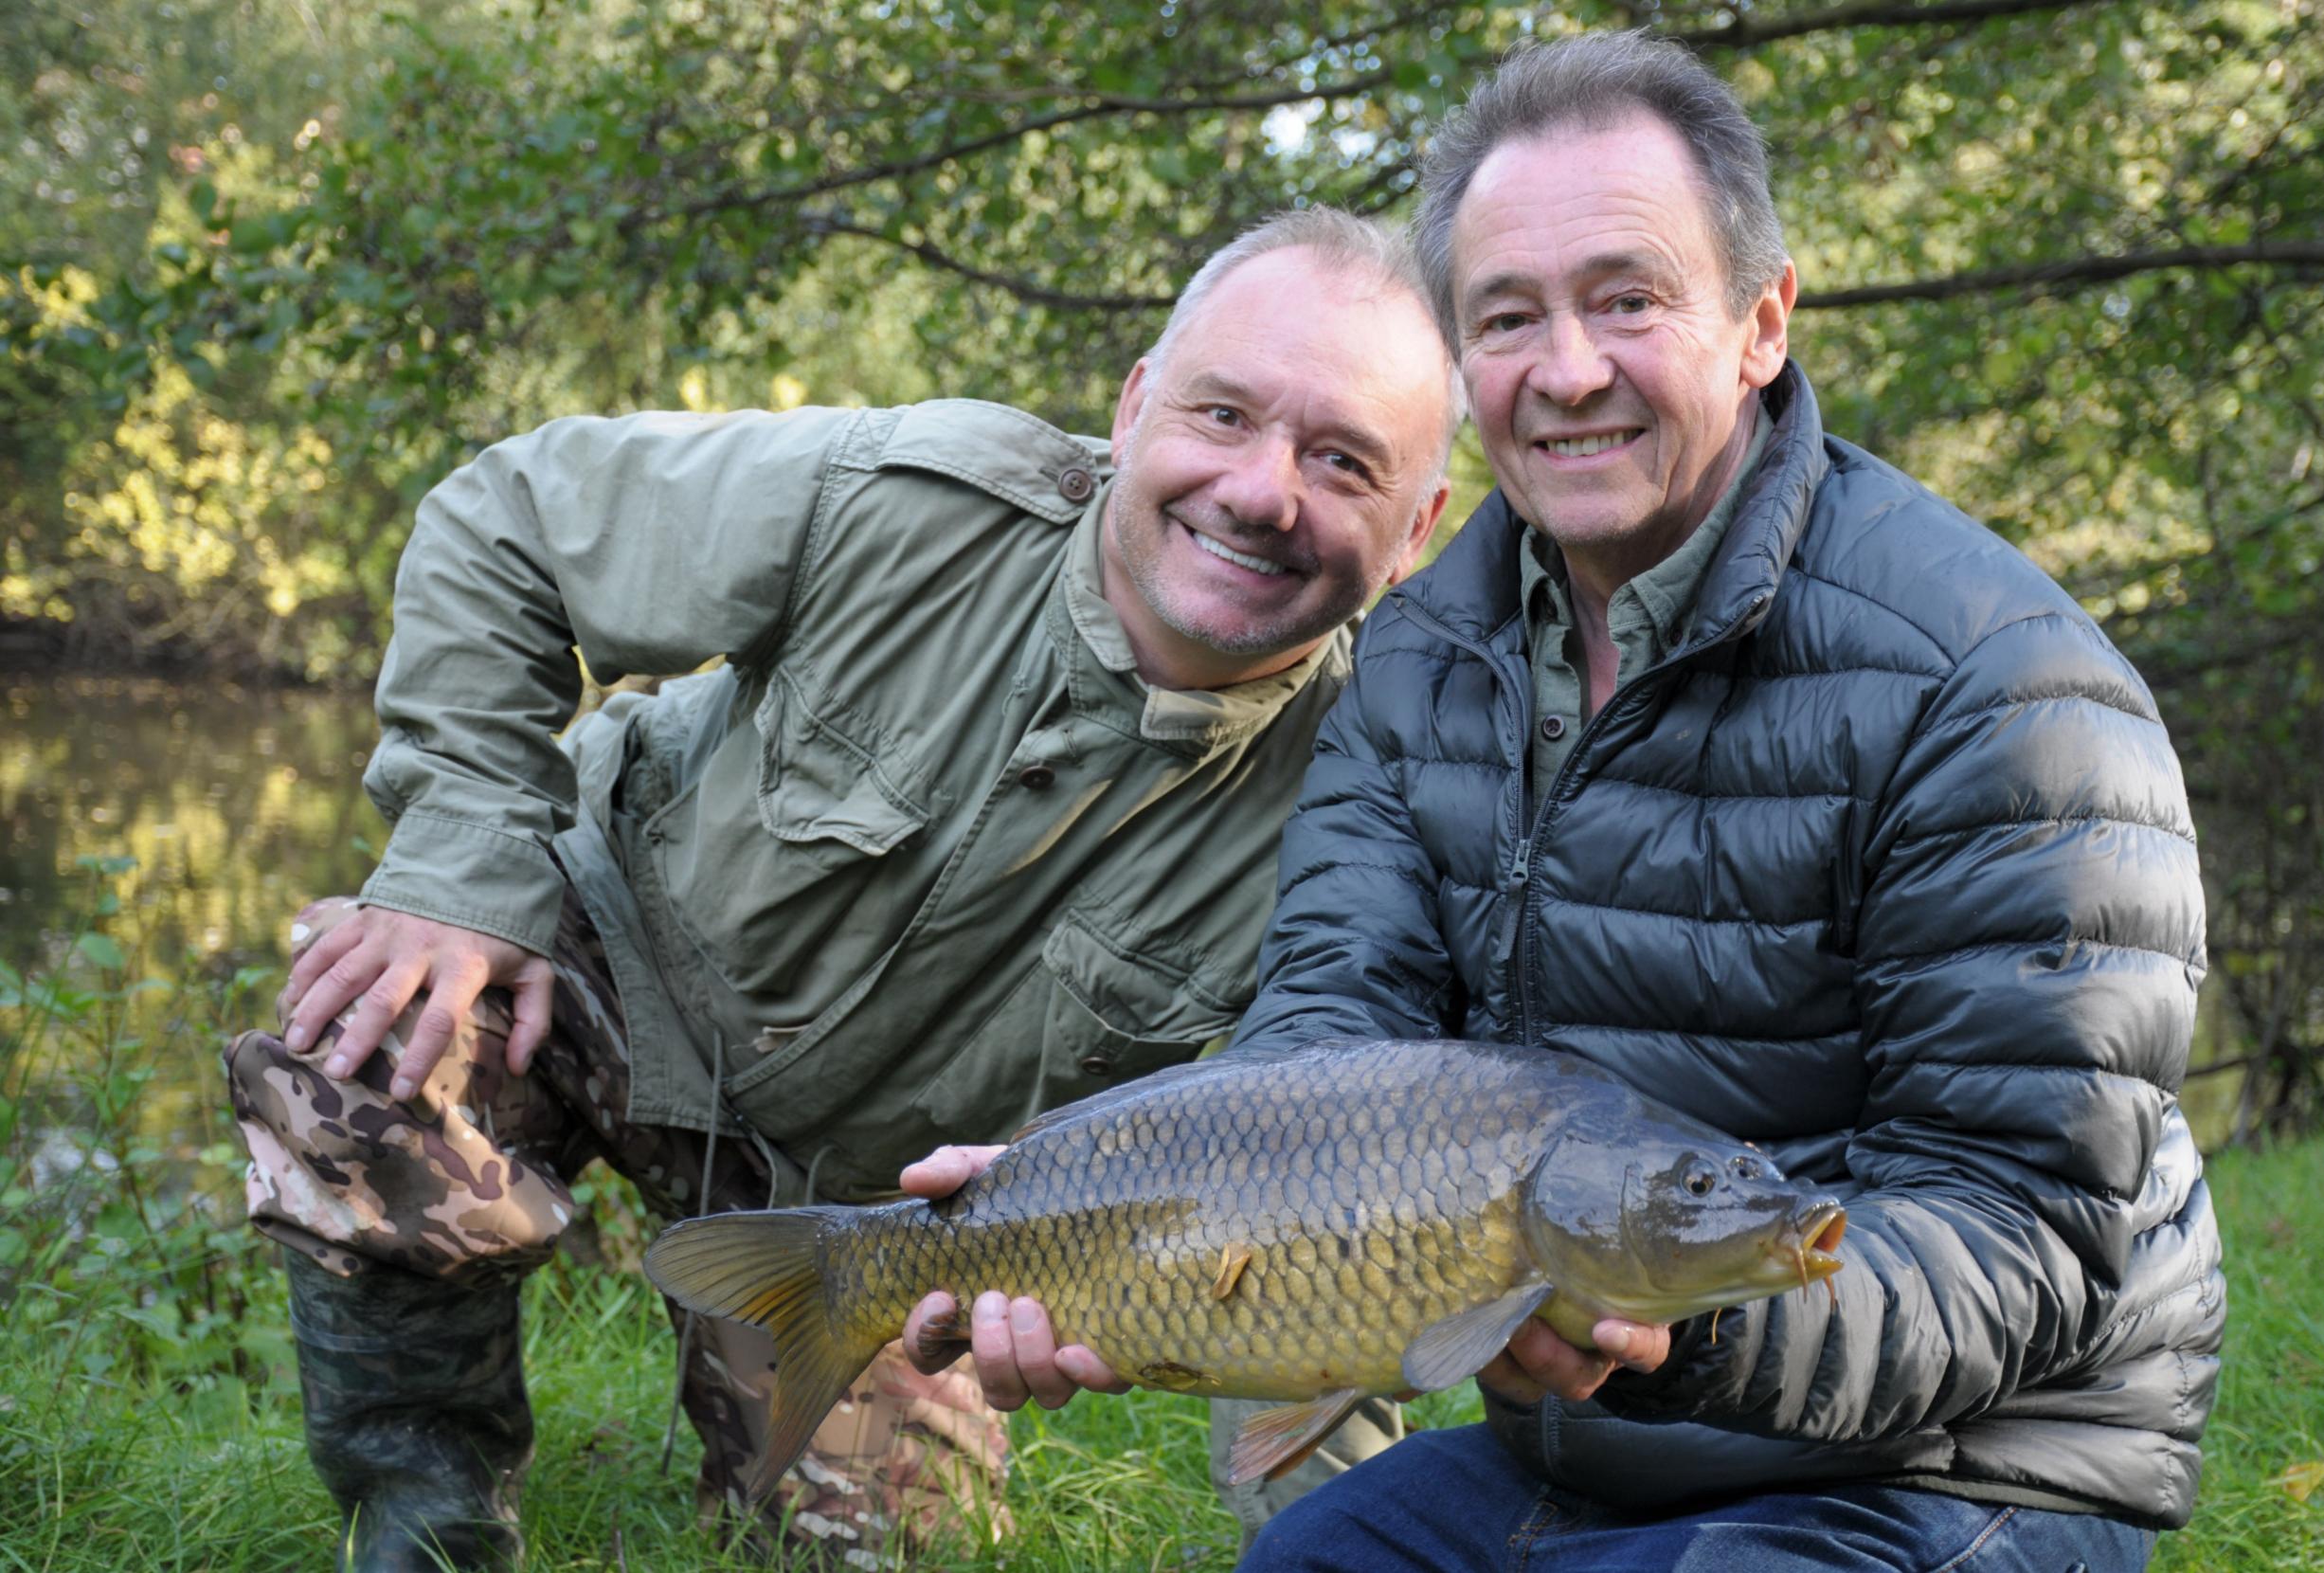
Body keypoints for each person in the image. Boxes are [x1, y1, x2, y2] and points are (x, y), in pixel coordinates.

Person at [220, 207, 1458, 1571]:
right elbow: (507, 519)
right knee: (373, 1045)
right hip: (609, 957)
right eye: (1224, 415)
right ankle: (424, 1519)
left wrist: (1348, 1536)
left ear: (1416, 531)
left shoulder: (1372, 799)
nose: (1263, 490)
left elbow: (1331, 1202)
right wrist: (461, 874)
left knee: (882, 1553)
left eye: (1343, 461)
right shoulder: (900, 495)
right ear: (1135, 403)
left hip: (880, 1201)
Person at [1160, 31, 2220, 1570]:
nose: (1569, 369)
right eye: (1508, 316)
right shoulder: (1417, 660)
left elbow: (2029, 1232)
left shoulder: (1998, 685)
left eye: (1628, 299)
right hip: (1593, 1450)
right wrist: (1102, 1217)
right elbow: (1329, 1059)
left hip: (1966, 1459)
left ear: (1761, 323)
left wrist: (1676, 1331)